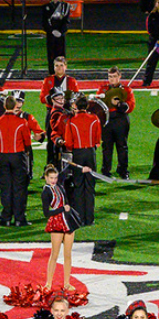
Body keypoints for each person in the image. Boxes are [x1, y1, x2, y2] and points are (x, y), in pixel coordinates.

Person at [0, 96, 31, 227]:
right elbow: (27, 142)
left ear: (4, 106)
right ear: (14, 106)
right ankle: (19, 219)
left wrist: (0, 152)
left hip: (3, 157)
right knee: (19, 188)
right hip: (18, 157)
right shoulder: (22, 122)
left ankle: (6, 218)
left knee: (6, 188)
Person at [40, 164, 82, 289]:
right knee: (55, 254)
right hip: (57, 222)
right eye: (51, 178)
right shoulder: (46, 191)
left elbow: (67, 169)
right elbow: (46, 213)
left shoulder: (59, 186)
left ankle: (67, 283)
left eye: (55, 178)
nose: (54, 180)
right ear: (46, 178)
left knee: (68, 254)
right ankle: (48, 283)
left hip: (68, 221)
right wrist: (62, 209)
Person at [63, 94, 101, 226]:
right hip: (90, 153)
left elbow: (68, 143)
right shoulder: (94, 119)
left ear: (75, 106)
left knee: (78, 186)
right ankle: (90, 219)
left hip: (78, 154)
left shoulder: (72, 121)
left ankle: (80, 218)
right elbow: (97, 140)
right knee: (90, 187)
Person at [97, 66, 135, 179]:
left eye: (114, 77)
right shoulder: (103, 89)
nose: (112, 79)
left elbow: (131, 105)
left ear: (119, 76)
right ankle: (105, 170)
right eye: (110, 77)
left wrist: (120, 104)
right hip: (107, 120)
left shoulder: (126, 90)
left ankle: (123, 170)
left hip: (120, 120)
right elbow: (98, 104)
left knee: (122, 146)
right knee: (107, 147)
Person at [39, 56, 79, 162]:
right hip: (53, 114)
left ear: (65, 67)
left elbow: (76, 98)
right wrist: (54, 100)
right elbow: (42, 98)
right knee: (51, 141)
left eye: (61, 65)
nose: (59, 68)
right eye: (57, 66)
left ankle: (69, 167)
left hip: (68, 114)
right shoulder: (48, 80)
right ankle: (51, 165)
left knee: (69, 140)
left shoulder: (71, 81)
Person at [41, 0, 70, 73]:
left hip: (61, 34)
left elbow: (66, 21)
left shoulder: (65, 6)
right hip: (51, 34)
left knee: (61, 54)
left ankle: (61, 72)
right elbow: (44, 22)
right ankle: (52, 73)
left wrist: (61, 32)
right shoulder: (46, 7)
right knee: (51, 54)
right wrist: (51, 31)